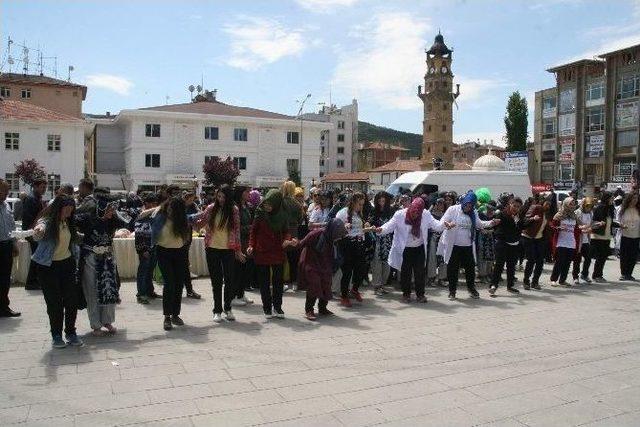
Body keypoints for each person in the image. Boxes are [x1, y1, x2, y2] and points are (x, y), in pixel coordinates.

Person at [31, 195, 82, 348]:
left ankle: (71, 332)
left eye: (71, 211)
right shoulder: (47, 222)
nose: (68, 213)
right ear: (58, 209)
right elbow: (39, 230)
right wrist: (38, 231)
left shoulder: (68, 222)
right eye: (66, 210)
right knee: (54, 304)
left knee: (71, 301)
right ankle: (56, 335)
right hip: (48, 268)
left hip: (67, 265)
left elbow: (72, 239)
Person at [376, 197, 448, 303]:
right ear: (410, 207)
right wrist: (380, 229)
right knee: (406, 273)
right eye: (414, 212)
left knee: (420, 272)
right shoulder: (400, 214)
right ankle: (406, 294)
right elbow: (389, 226)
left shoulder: (425, 214)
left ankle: (420, 294)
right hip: (405, 249)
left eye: (418, 213)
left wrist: (445, 224)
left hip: (419, 248)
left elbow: (436, 225)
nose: (415, 215)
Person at [74, 188, 122, 336]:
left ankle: (107, 321)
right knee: (92, 291)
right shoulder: (87, 218)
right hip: (90, 258)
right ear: (101, 207)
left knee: (108, 289)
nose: (111, 213)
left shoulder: (112, 219)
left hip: (107, 259)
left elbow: (131, 222)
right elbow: (69, 218)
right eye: (109, 210)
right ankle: (95, 325)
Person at [192, 185, 243, 322]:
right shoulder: (210, 208)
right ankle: (217, 310)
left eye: (223, 197)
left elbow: (237, 231)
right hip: (212, 248)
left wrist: (238, 250)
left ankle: (228, 308)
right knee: (216, 281)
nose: (220, 199)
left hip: (228, 249)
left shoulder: (234, 210)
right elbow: (200, 223)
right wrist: (191, 222)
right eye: (218, 196)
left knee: (229, 280)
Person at [439, 192, 498, 300]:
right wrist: (448, 224)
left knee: (470, 269)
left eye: (471, 206)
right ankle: (452, 291)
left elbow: (479, 224)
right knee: (453, 269)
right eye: (467, 205)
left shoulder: (473, 212)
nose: (468, 207)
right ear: (463, 202)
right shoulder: (453, 209)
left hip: (468, 246)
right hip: (454, 245)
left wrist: (491, 223)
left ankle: (471, 289)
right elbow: (443, 221)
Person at [248, 189, 297, 319]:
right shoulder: (260, 214)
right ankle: (267, 308)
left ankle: (278, 307)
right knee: (264, 283)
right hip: (262, 251)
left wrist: (287, 239)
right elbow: (253, 232)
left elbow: (287, 231)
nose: (267, 207)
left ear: (276, 203)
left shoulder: (282, 215)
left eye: (270, 204)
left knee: (278, 282)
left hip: (277, 251)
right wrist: (251, 246)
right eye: (265, 204)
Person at [147, 196, 192, 330]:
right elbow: (142, 217)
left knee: (179, 284)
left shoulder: (182, 220)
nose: (170, 210)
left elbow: (189, 232)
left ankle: (175, 315)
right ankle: (167, 317)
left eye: (173, 209)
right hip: (163, 252)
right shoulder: (160, 216)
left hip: (180, 253)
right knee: (169, 284)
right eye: (169, 207)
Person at [297, 218, 348, 320]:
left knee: (326, 283)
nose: (338, 237)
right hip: (311, 262)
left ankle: (322, 308)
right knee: (314, 283)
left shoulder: (333, 238)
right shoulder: (315, 234)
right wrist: (293, 243)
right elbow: (301, 243)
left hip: (325, 264)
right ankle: (309, 310)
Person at [335, 192, 372, 307]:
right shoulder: (342, 213)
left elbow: (359, 230)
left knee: (361, 269)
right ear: (353, 202)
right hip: (346, 245)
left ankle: (354, 290)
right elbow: (335, 228)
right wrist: (343, 227)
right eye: (359, 204)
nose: (361, 207)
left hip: (359, 244)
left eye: (362, 204)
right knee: (347, 272)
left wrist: (369, 228)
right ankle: (344, 296)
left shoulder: (358, 214)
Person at [489, 197, 530, 296]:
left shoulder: (519, 216)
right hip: (502, 243)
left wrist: (531, 221)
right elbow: (495, 227)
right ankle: (493, 285)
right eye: (514, 205)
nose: (516, 208)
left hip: (514, 244)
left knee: (511, 266)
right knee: (499, 265)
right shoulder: (502, 214)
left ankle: (510, 286)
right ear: (510, 204)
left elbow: (522, 227)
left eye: (518, 207)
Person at [549, 197, 584, 287]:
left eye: (573, 204)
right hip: (561, 242)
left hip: (571, 242)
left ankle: (562, 280)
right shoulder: (559, 215)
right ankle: (553, 279)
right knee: (559, 261)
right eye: (570, 204)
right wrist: (558, 228)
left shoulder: (574, 216)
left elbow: (578, 228)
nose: (572, 206)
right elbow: (552, 226)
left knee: (567, 263)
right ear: (565, 204)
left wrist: (583, 229)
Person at [22, 178, 47, 290]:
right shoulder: (31, 199)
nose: (44, 189)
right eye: (42, 187)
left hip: (36, 231)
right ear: (35, 187)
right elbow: (29, 218)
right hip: (32, 232)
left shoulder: (37, 198)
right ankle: (31, 282)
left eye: (45, 187)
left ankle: (34, 280)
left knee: (37, 256)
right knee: (36, 257)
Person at [0, 179, 21, 317]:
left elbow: (12, 226)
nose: (7, 194)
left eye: (7, 191)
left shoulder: (6, 206)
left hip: (6, 245)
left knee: (5, 278)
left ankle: (3, 307)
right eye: (4, 191)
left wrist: (14, 243)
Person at [231, 186, 255, 305]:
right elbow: (236, 227)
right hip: (238, 242)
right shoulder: (235, 207)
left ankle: (241, 294)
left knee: (245, 269)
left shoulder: (247, 206)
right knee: (237, 270)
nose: (249, 193)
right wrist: (250, 228)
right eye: (246, 191)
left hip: (246, 241)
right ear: (240, 193)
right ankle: (234, 295)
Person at [134, 193, 159, 304]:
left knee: (150, 270)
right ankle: (141, 294)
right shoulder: (141, 214)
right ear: (146, 203)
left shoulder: (153, 215)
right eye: (152, 203)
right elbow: (139, 234)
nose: (154, 206)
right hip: (144, 247)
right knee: (143, 271)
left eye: (155, 204)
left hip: (153, 246)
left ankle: (149, 291)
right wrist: (142, 250)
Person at [369, 191, 394, 295]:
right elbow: (368, 223)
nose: (381, 202)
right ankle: (376, 286)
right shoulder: (373, 211)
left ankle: (382, 285)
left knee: (387, 264)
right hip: (377, 240)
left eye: (383, 200)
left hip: (388, 241)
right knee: (377, 264)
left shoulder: (391, 211)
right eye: (379, 200)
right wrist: (372, 227)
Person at [282, 181, 303, 292]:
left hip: (282, 231)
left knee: (281, 257)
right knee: (293, 258)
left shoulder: (280, 202)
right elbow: (301, 218)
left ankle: (283, 281)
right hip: (294, 230)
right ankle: (294, 282)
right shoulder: (297, 204)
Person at [521, 198, 547, 290]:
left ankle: (535, 282)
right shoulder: (535, 208)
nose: (548, 205)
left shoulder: (547, 213)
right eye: (547, 203)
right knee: (531, 260)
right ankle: (526, 281)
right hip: (528, 236)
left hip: (539, 238)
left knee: (540, 261)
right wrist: (533, 218)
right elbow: (525, 220)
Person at [590, 192, 615, 283]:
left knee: (603, 257)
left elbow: (610, 222)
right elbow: (593, 221)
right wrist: (599, 223)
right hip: (598, 236)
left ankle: (599, 275)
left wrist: (620, 225)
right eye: (611, 198)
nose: (612, 200)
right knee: (600, 257)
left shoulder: (610, 209)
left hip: (607, 236)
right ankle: (596, 275)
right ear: (606, 198)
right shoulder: (599, 208)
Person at [182, 191, 202, 299]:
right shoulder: (179, 207)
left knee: (185, 265)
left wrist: (197, 210)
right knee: (183, 266)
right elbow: (187, 218)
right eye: (189, 199)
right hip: (179, 240)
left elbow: (198, 218)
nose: (191, 201)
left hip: (186, 239)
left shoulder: (193, 206)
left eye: (193, 199)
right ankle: (188, 290)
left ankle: (189, 290)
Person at [618, 192, 640, 281]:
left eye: (636, 198)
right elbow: (617, 221)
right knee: (624, 255)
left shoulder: (638, 209)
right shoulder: (622, 210)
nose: (635, 200)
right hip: (625, 235)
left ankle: (629, 274)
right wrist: (621, 225)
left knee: (633, 256)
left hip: (636, 236)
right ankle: (623, 273)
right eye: (633, 198)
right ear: (629, 199)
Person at [572, 197, 594, 285]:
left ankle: (584, 275)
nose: (589, 208)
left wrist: (592, 227)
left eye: (590, 206)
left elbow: (590, 224)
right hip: (579, 240)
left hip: (586, 240)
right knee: (577, 259)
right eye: (587, 206)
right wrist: (583, 229)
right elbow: (575, 226)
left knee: (588, 258)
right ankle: (575, 276)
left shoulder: (590, 213)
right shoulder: (578, 212)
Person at [427, 197, 448, 287]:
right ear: (435, 204)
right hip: (433, 238)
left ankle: (441, 278)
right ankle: (431, 278)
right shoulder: (430, 215)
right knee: (432, 259)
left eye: (443, 204)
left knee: (443, 258)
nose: (441, 205)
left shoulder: (446, 215)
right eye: (439, 203)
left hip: (443, 239)